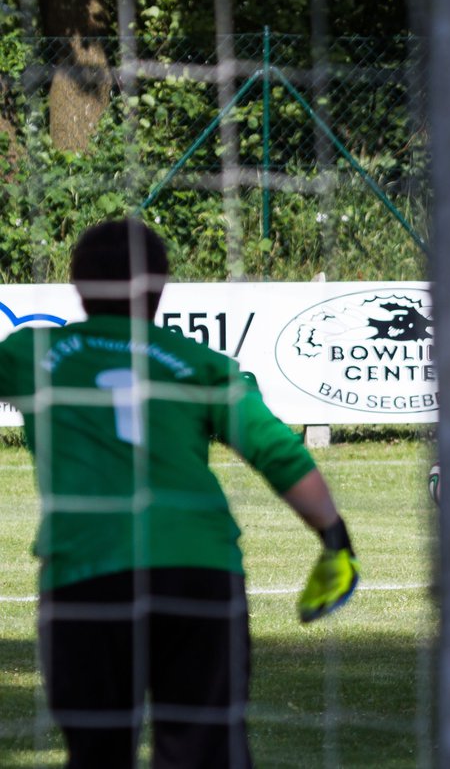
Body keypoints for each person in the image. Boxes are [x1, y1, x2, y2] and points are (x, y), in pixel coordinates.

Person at [0, 219, 359, 768]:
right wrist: (335, 537)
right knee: (205, 751)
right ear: (162, 285)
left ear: (76, 284)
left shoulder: (32, 351)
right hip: (199, 569)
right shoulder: (201, 364)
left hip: (87, 573)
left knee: (96, 752)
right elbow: (278, 453)